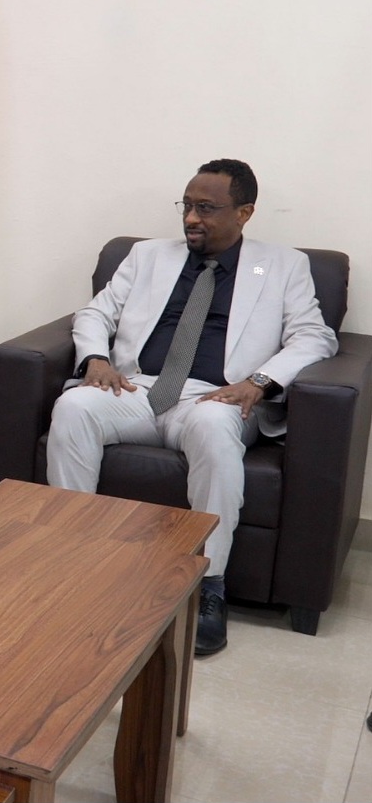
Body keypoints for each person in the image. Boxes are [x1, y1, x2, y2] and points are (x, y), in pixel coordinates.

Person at [46, 159, 337, 656]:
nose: (191, 219)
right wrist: (96, 358)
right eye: (187, 205)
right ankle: (74, 561)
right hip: (138, 388)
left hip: (217, 395)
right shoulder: (147, 256)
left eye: (206, 208)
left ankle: (208, 585)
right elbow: (95, 313)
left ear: (244, 212)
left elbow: (315, 337)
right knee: (73, 407)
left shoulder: (283, 266)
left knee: (212, 424)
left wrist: (259, 382)